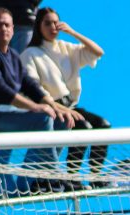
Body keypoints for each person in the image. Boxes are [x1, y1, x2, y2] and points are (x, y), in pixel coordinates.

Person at [0, 7, 77, 199]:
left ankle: (24, 183)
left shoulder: (13, 55)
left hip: (7, 112)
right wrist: (35, 107)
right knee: (42, 118)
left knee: (60, 120)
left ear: (13, 29)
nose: (3, 28)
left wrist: (57, 107)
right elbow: (0, 90)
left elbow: (30, 85)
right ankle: (56, 177)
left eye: (7, 25)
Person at [21, 7, 109, 185]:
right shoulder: (30, 53)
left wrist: (73, 32)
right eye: (47, 23)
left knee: (103, 125)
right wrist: (59, 108)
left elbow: (98, 52)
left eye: (56, 23)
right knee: (83, 127)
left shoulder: (65, 48)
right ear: (39, 26)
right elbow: (34, 90)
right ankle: (72, 178)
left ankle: (95, 177)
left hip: (71, 106)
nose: (53, 27)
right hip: (51, 109)